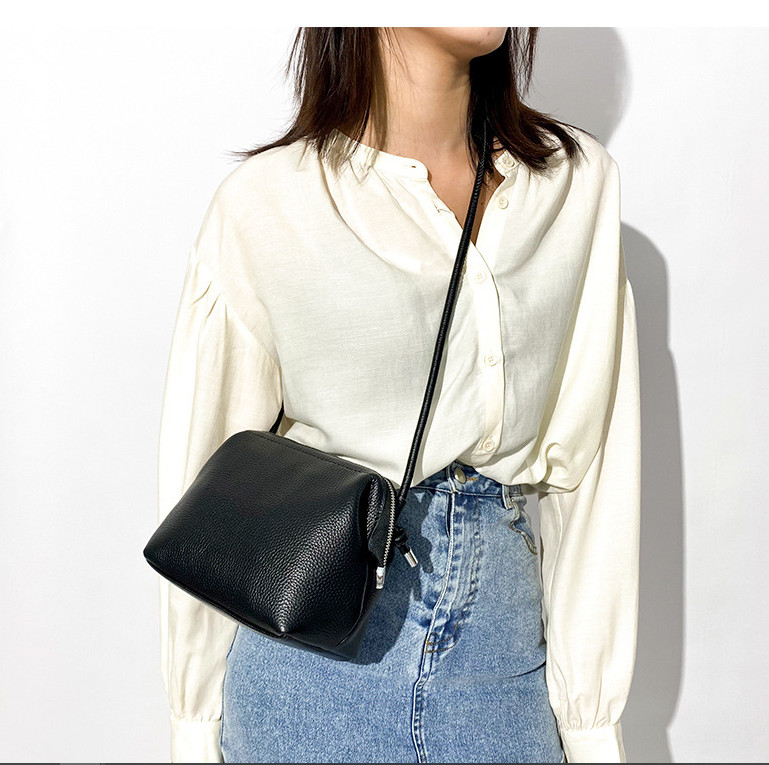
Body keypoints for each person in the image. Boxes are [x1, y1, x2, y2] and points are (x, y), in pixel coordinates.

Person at [153, 27, 641, 764]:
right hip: (310, 676)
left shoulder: (575, 185)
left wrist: (591, 725)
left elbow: (595, 468)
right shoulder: (269, 202)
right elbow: (207, 494)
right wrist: (193, 725)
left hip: (503, 664)